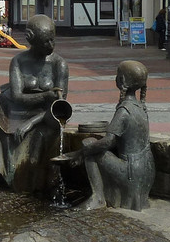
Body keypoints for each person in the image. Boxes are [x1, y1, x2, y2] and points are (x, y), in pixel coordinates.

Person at [0, 14, 69, 191]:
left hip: (41, 115)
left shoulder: (59, 64)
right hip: (14, 107)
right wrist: (46, 95)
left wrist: (30, 123)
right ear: (31, 38)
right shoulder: (18, 61)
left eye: (52, 40)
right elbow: (16, 97)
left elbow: (59, 108)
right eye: (45, 42)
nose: (51, 45)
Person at [56, 60, 153, 211]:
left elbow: (108, 142)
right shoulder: (141, 107)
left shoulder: (124, 111)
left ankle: (98, 198)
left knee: (88, 144)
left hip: (131, 172)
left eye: (117, 75)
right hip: (147, 171)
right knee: (93, 147)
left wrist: (79, 154)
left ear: (121, 81)